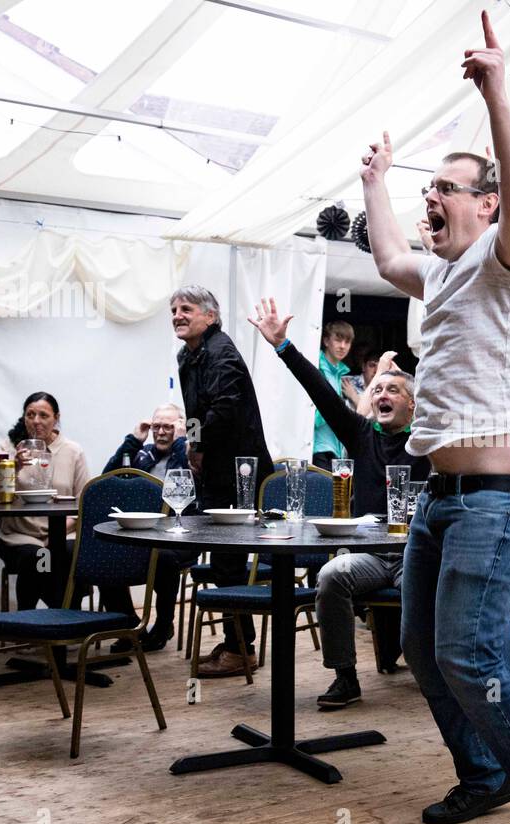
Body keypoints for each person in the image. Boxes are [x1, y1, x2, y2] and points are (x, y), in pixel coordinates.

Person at [359, 11, 510, 824]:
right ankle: (485, 770)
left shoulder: (509, 255)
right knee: (424, 646)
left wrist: (498, 90)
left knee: (470, 648)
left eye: (447, 187)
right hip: (441, 497)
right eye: (433, 189)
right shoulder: (443, 270)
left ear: (487, 206)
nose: (435, 196)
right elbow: (387, 260)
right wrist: (378, 181)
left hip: (499, 500)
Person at [249, 299, 429, 709]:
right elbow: (320, 391)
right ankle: (345, 677)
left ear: (413, 404)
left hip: (413, 552)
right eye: (377, 389)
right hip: (369, 552)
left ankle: (432, 671)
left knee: (429, 587)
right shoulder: (360, 434)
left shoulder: (427, 444)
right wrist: (283, 346)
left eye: (393, 390)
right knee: (331, 575)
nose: (381, 394)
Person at [172, 284, 275, 678]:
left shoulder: (222, 353)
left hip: (241, 473)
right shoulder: (188, 355)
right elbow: (195, 409)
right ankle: (237, 644)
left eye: (186, 309)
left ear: (210, 316)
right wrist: (194, 444)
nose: (178, 316)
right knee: (222, 561)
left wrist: (195, 443)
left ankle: (240, 649)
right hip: (217, 469)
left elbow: (225, 409)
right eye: (174, 310)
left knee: (227, 562)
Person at [101, 404, 195, 651]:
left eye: (168, 427)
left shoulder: (192, 454)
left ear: (180, 428)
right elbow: (106, 481)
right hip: (140, 532)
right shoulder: (142, 455)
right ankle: (128, 626)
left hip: (181, 533)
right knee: (103, 549)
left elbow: (181, 483)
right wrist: (132, 440)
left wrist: (181, 441)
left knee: (162, 557)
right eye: (156, 427)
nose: (161, 432)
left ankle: (164, 624)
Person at [0, 392, 89, 613]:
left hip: (63, 532)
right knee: (38, 556)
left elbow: (84, 502)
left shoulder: (72, 451)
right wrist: (13, 466)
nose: (36, 421)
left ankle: (68, 614)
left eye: (43, 415)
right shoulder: (9, 448)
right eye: (30, 415)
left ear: (56, 418)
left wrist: (54, 536)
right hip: (20, 535)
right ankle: (28, 618)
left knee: (69, 552)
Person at [312, 319, 355, 471]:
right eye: (338, 340)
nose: (342, 346)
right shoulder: (315, 365)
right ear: (326, 341)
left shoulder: (340, 374)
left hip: (336, 449)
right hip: (317, 447)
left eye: (347, 342)